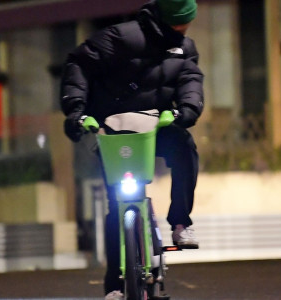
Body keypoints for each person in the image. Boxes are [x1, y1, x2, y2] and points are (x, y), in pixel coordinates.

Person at [59, 0, 203, 297]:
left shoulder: (185, 47)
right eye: (180, 22)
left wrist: (186, 110)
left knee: (184, 147)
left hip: (156, 126)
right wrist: (77, 110)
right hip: (114, 128)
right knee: (118, 207)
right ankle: (114, 287)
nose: (185, 28)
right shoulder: (120, 37)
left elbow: (190, 80)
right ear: (166, 20)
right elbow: (79, 65)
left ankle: (180, 221)